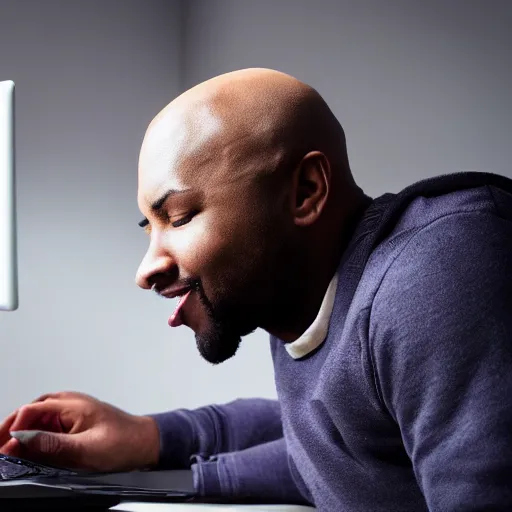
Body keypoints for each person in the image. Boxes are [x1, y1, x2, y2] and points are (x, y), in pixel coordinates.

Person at [1, 68, 512, 511]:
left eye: (178, 217)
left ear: (306, 191)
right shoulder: (311, 296)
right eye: (149, 226)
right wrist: (148, 438)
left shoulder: (437, 270)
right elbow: (329, 449)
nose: (145, 269)